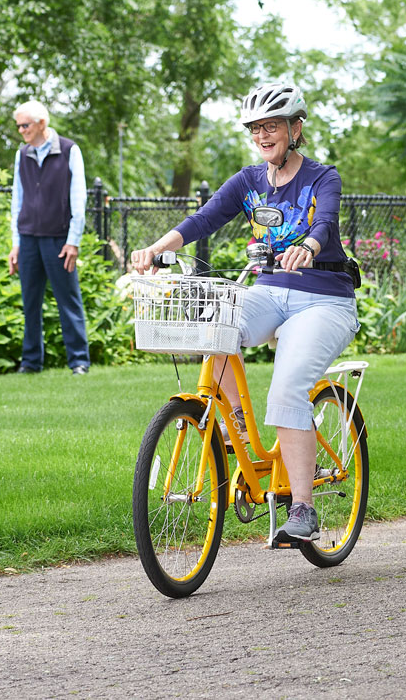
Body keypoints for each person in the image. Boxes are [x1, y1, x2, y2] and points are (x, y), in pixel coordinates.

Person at [130, 82, 359, 543]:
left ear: (295, 128)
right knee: (213, 326)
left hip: (325, 298)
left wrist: (310, 247)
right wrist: (157, 247)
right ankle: (238, 434)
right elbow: (204, 219)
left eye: (272, 126)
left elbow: (324, 221)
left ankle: (303, 509)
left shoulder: (321, 177)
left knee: (287, 388)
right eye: (256, 128)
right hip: (270, 292)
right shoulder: (249, 181)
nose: (263, 135)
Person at [8, 100, 91, 375]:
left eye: (25, 125)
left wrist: (73, 240)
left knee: (68, 300)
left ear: (42, 123)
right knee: (30, 302)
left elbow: (78, 198)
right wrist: (16, 244)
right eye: (19, 126)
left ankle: (79, 361)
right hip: (28, 237)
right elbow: (16, 200)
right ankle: (31, 362)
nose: (21, 131)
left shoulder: (69, 150)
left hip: (59, 239)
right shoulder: (22, 154)